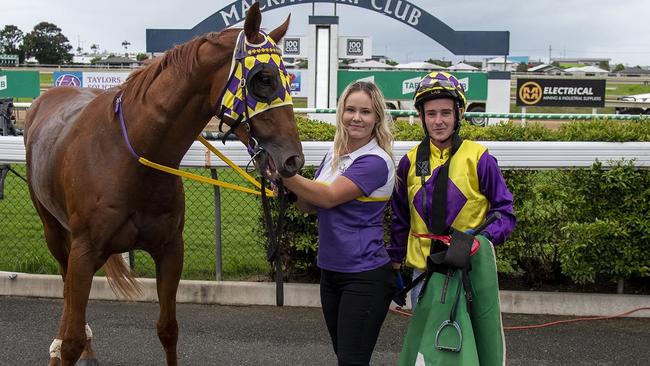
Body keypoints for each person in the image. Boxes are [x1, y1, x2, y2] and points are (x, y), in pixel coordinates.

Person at [280, 81, 396, 366]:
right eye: (350, 109)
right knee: (345, 357)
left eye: (366, 112)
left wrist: (283, 173)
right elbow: (311, 205)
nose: (356, 117)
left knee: (351, 361)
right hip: (331, 272)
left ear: (377, 118)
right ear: (341, 113)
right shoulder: (333, 155)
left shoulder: (376, 161)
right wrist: (287, 190)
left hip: (365, 275)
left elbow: (329, 197)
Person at [387, 71, 516, 309]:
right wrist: (395, 264)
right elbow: (401, 218)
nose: (438, 121)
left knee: (469, 346)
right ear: (421, 117)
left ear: (460, 114)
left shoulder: (480, 158)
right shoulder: (409, 162)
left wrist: (479, 240)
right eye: (431, 114)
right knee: (426, 346)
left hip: (469, 272)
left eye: (446, 113)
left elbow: (505, 213)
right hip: (423, 275)